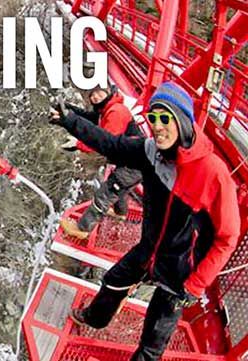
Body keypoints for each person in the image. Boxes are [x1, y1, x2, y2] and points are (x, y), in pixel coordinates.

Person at [49, 81, 240, 361]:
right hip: (149, 248)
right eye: (153, 118)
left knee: (152, 341)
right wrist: (70, 121)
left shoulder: (213, 173)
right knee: (113, 281)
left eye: (165, 118)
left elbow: (228, 237)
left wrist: (196, 284)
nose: (158, 126)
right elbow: (112, 145)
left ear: (184, 122)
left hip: (180, 270)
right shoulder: (151, 152)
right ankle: (95, 319)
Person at [60, 86, 143, 239]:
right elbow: (91, 118)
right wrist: (71, 111)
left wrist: (78, 144)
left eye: (99, 92)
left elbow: (104, 140)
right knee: (121, 190)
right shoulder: (108, 108)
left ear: (108, 92)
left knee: (106, 193)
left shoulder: (116, 112)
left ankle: (82, 229)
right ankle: (120, 214)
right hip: (134, 162)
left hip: (133, 165)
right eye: (92, 95)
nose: (96, 97)